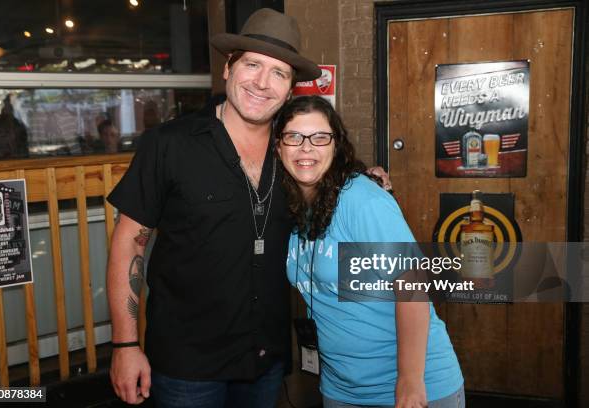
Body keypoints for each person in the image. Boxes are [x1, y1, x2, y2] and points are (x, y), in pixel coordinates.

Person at [106, 8, 324, 408]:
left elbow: (337, 177)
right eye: (253, 65)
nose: (262, 82)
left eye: (279, 73)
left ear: (291, 88)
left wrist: (372, 178)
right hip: (187, 365)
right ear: (229, 68)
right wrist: (125, 344)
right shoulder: (169, 144)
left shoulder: (296, 152)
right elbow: (128, 244)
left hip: (266, 358)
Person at [275, 95, 464, 408]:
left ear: (336, 146)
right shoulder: (291, 206)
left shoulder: (360, 200)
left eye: (320, 137)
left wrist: (410, 380)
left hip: (409, 386)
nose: (306, 148)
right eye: (294, 137)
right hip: (341, 389)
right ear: (278, 146)